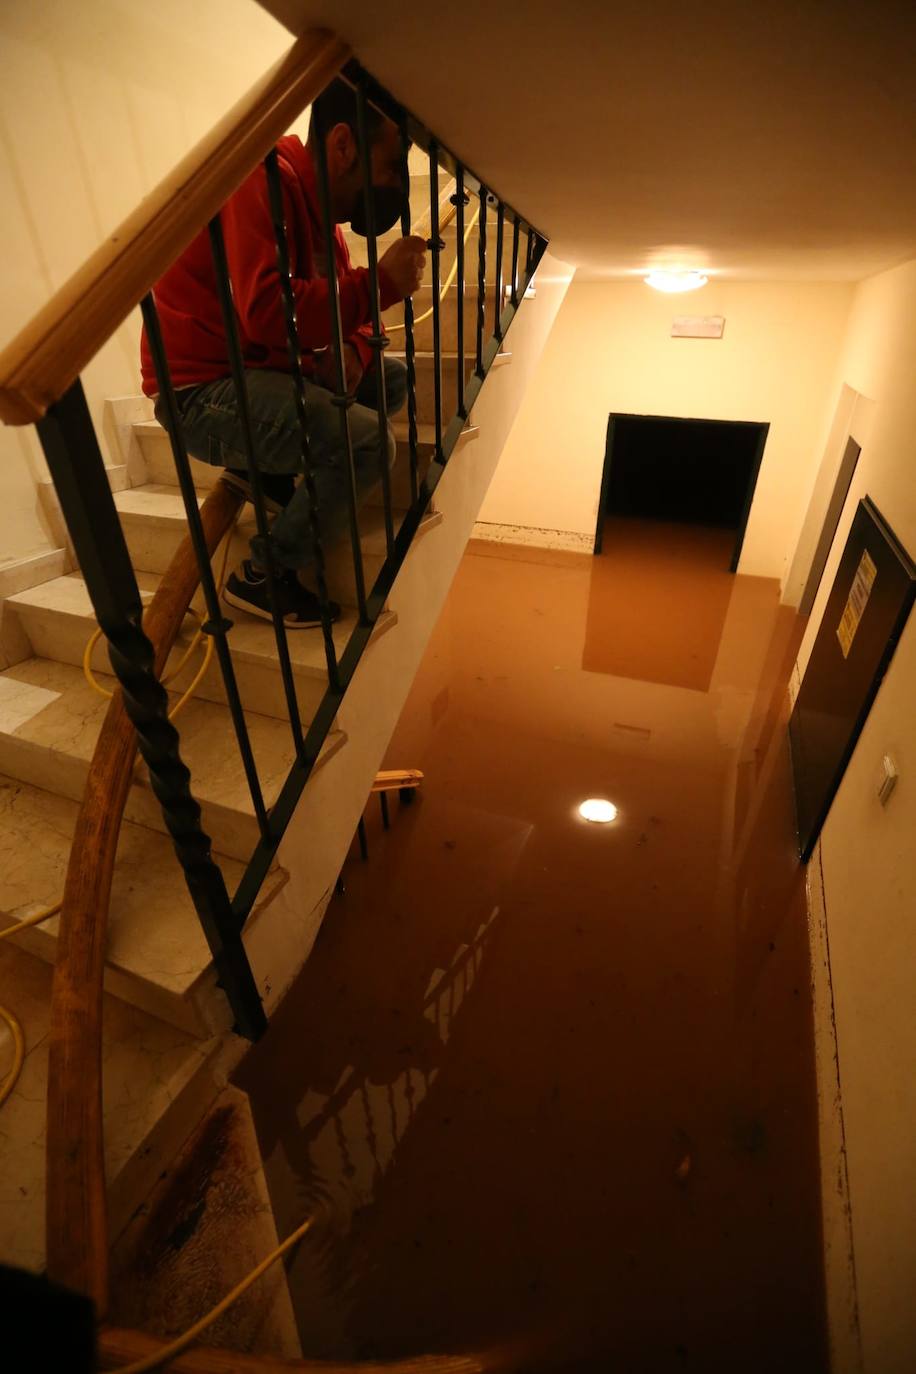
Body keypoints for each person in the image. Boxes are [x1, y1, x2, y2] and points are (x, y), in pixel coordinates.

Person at [140, 78, 427, 627]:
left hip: (260, 370)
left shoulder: (326, 224)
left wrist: (352, 345)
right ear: (343, 144)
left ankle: (266, 468)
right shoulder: (260, 178)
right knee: (367, 444)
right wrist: (380, 286)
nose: (394, 183)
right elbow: (270, 312)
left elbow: (355, 323)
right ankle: (266, 574)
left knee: (391, 382)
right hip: (201, 392)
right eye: (391, 165)